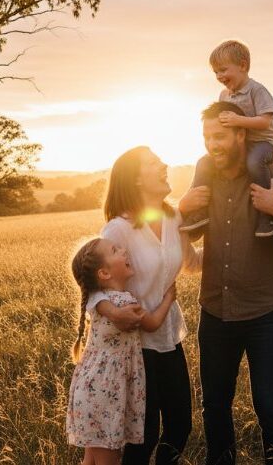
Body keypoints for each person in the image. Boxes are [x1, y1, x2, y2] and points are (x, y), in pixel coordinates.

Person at [179, 102, 273, 465]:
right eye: (207, 136)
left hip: (267, 314)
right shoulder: (204, 177)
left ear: (241, 132)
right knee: (214, 404)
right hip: (215, 312)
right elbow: (177, 233)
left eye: (221, 135)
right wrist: (180, 208)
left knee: (271, 405)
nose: (213, 144)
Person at [97, 146, 199, 465]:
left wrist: (241, 248)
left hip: (167, 336)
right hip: (133, 344)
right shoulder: (118, 229)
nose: (164, 164)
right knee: (144, 435)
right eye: (154, 163)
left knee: (181, 426)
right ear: (136, 179)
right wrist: (114, 310)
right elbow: (97, 284)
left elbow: (192, 262)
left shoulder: (172, 216)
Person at [66, 237, 177, 465]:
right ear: (104, 274)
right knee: (109, 460)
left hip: (92, 390)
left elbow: (96, 298)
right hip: (104, 395)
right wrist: (168, 298)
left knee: (91, 460)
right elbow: (153, 322)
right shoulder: (124, 304)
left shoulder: (99, 299)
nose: (124, 250)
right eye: (115, 250)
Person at [181, 40, 273, 238]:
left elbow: (265, 122)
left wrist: (238, 120)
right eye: (215, 72)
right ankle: (199, 213)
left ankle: (265, 216)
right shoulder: (224, 95)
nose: (219, 76)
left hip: (265, 143)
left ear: (243, 66)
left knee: (254, 162)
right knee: (204, 162)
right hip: (242, 143)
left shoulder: (257, 90)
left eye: (223, 70)